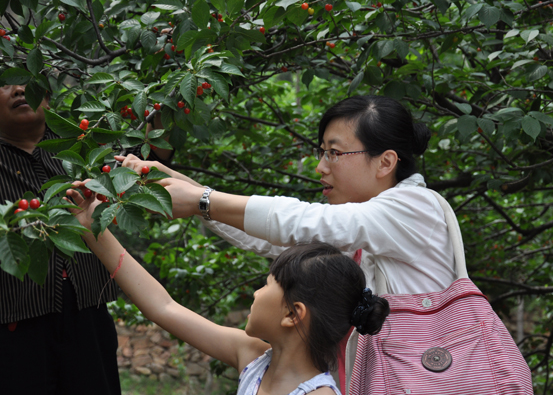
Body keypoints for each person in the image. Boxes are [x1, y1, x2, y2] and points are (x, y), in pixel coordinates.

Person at [117, 95, 455, 392]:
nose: (321, 167)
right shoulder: (358, 235)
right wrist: (181, 185)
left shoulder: (416, 208)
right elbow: (269, 235)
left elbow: (300, 221)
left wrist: (203, 199)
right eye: (322, 152)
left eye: (334, 153)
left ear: (385, 162)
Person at [64, 184, 390, 395]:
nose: (256, 294)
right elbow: (162, 307)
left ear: (293, 313)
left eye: (268, 284)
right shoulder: (251, 356)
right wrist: (94, 231)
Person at [0, 83, 172, 394]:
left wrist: (160, 96)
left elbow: (148, 162)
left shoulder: (81, 148)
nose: (17, 90)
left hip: (88, 313)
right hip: (14, 320)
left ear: (49, 101)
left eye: (28, 81)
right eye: (4, 84)